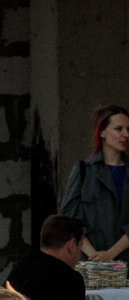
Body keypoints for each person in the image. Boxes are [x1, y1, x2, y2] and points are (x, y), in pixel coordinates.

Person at [55, 104, 129, 256]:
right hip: (90, 263)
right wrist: (94, 256)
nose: (126, 134)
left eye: (128, 129)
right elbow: (70, 219)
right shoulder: (84, 170)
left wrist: (110, 254)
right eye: (118, 129)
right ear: (102, 132)